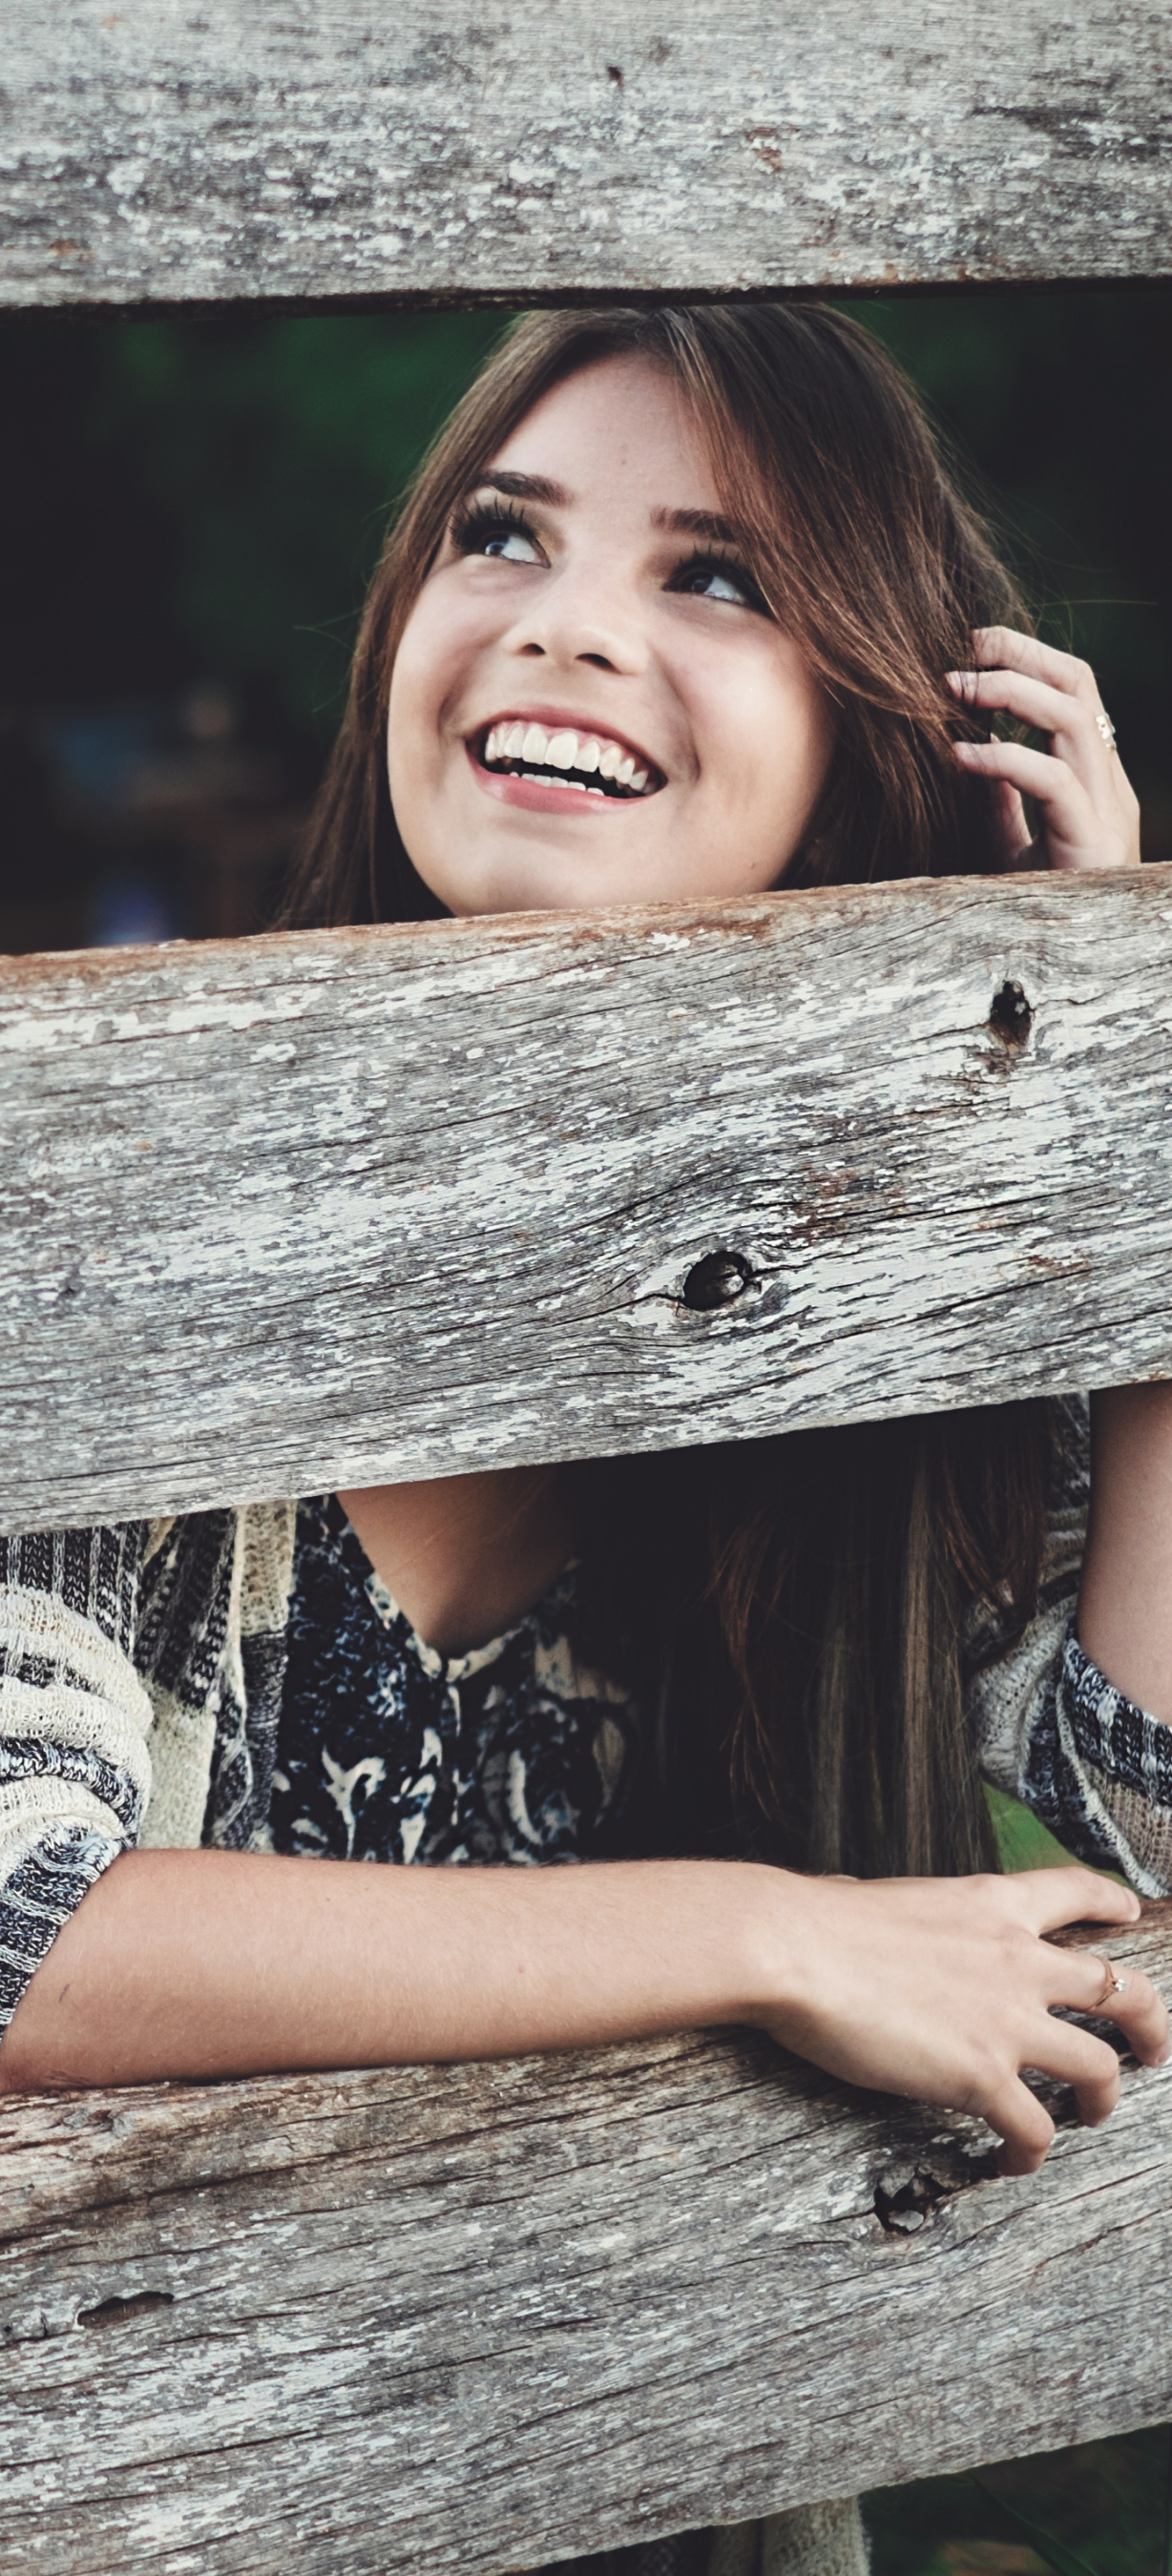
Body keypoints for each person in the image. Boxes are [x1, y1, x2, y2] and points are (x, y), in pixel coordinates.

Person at [1, 306, 1168, 2576]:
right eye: (500, 533)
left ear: (879, 750)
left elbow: (1149, 1811)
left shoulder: (874, 1377)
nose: (559, 621)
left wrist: (1117, 1140)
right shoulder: (99, 1226)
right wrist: (766, 1932)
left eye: (711, 575)